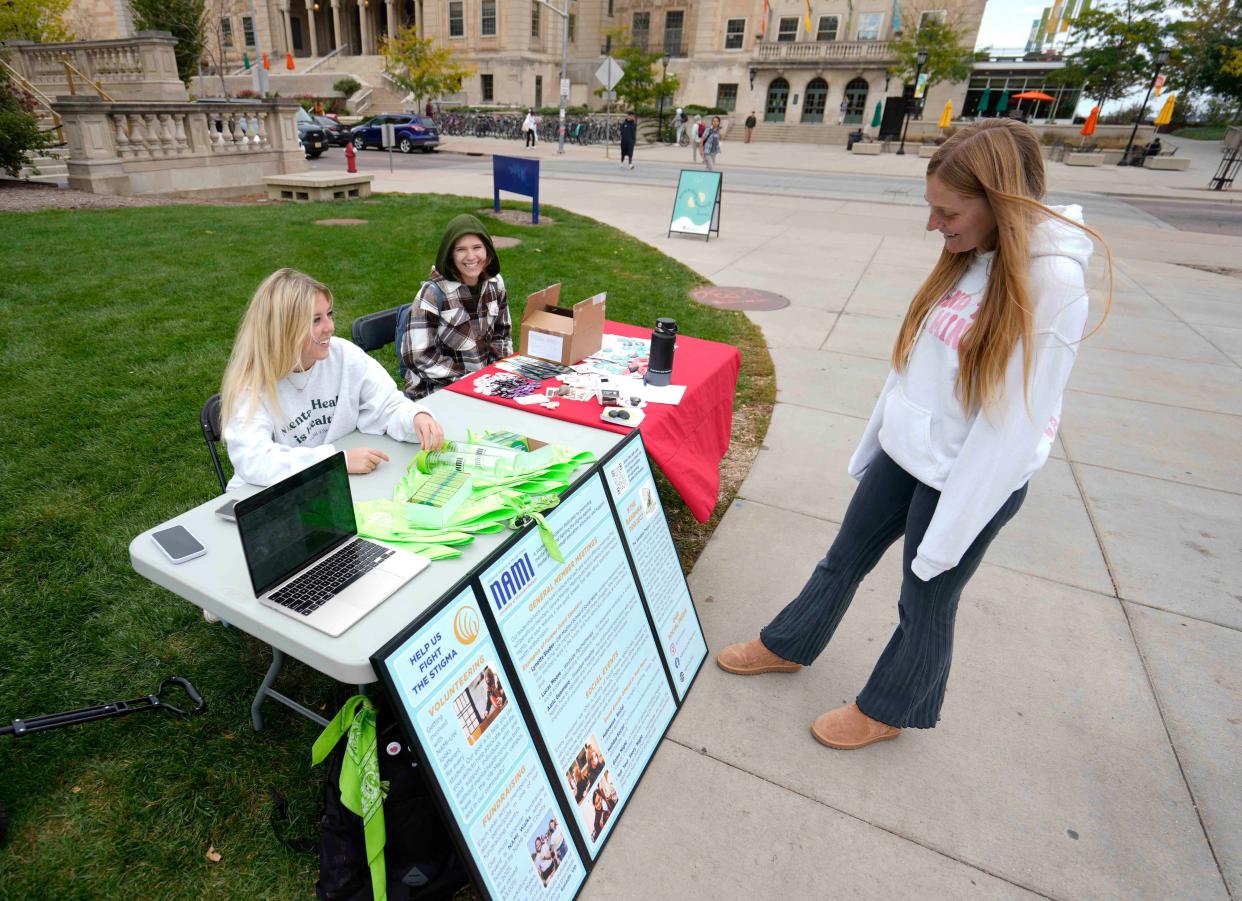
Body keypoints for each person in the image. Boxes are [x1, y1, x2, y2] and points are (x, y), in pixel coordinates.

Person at [716, 118, 1111, 751]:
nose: (934, 225)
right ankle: (790, 644)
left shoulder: (1053, 285)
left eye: (946, 210)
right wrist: (878, 444)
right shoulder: (972, 255)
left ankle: (892, 707)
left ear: (998, 202)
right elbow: (918, 367)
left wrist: (952, 529)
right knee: (841, 559)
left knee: (925, 598)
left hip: (968, 478)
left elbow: (1012, 426)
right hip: (908, 458)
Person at [219, 268, 446, 490]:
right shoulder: (251, 385)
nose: (329, 327)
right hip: (267, 499)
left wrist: (416, 418)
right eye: (315, 320)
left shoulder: (344, 355)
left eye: (329, 314)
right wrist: (338, 462)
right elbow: (255, 461)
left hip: (335, 486)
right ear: (284, 329)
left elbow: (387, 405)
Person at [399, 214, 512, 400]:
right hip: (435, 393)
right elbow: (418, 357)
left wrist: (499, 377)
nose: (471, 256)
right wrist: (470, 381)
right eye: (461, 249)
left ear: (488, 250)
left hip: (483, 388)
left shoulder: (495, 284)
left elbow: (502, 335)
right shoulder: (432, 293)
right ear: (450, 255)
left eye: (477, 247)